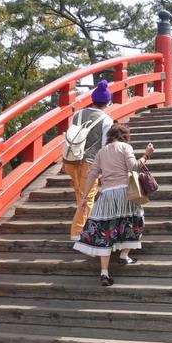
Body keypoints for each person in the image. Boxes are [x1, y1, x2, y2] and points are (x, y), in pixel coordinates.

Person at [73, 124, 155, 286]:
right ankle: (124, 255)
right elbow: (133, 167)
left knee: (106, 232)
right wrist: (146, 155)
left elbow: (92, 175)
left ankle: (104, 273)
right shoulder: (125, 147)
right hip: (126, 193)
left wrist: (84, 198)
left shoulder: (101, 152)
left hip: (107, 195)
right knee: (137, 222)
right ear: (124, 136)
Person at [63, 80, 114, 241]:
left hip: (70, 159)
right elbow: (105, 145)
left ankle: (87, 227)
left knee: (80, 193)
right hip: (90, 162)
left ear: (93, 99)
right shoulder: (106, 119)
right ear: (108, 101)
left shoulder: (77, 114)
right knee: (88, 197)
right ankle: (77, 232)